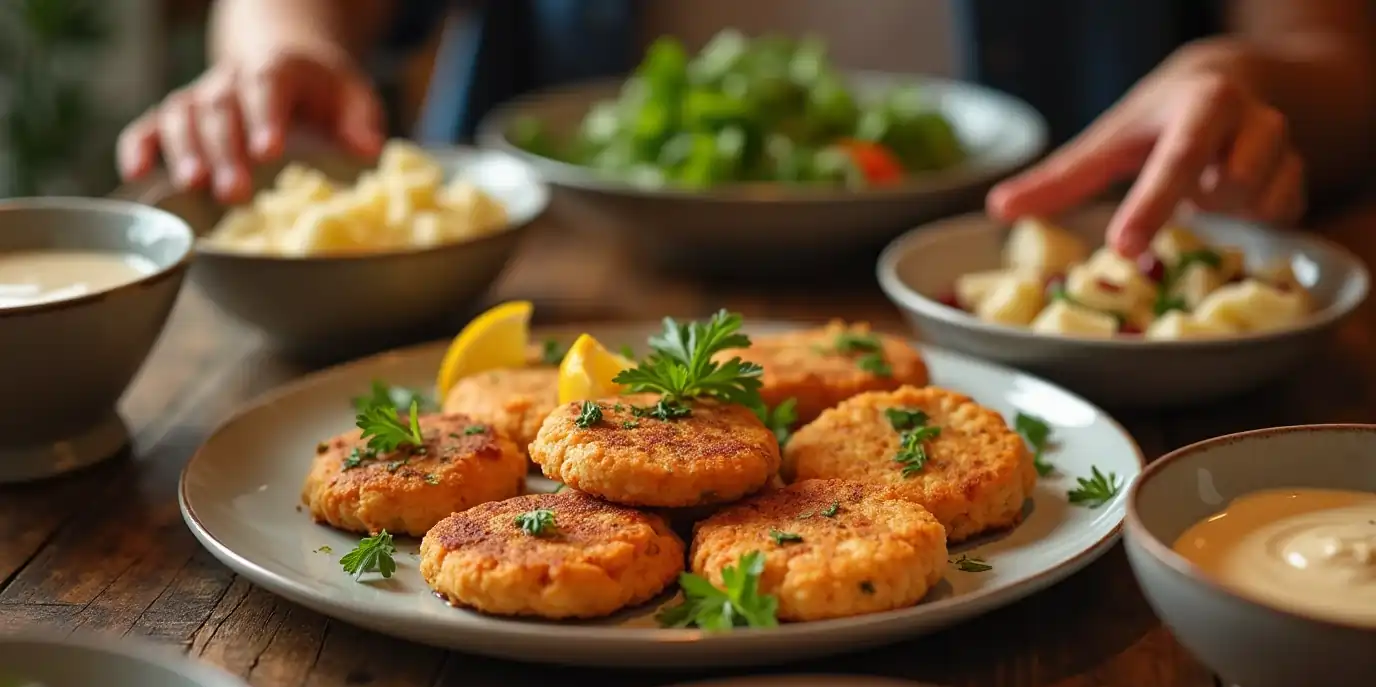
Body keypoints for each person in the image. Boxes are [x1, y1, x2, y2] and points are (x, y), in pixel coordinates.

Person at [118, 0, 1376, 258]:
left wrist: (1235, 72)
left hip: (1044, 277)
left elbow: (1339, 56)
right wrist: (283, 48)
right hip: (546, 284)